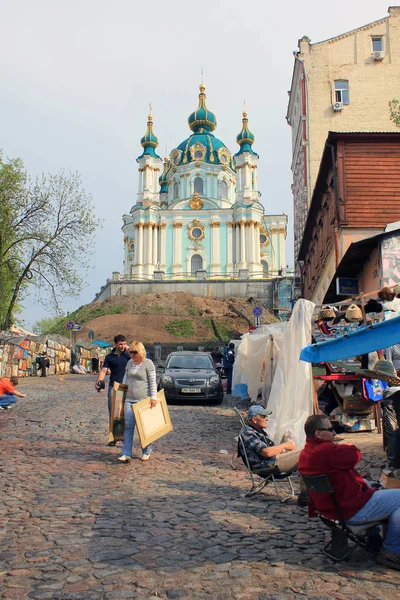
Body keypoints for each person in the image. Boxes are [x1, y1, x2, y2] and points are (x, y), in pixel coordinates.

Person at [299, 414, 400, 571]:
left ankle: (378, 537)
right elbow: (355, 454)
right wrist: (343, 447)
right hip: (349, 510)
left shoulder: (306, 452)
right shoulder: (327, 451)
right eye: (330, 429)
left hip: (331, 509)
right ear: (318, 434)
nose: (334, 433)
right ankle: (391, 550)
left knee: (370, 485)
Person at [241, 405, 308, 506]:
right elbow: (266, 452)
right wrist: (284, 445)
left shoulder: (259, 431)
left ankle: (307, 493)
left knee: (307, 455)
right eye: (263, 416)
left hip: (271, 461)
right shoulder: (248, 433)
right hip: (266, 465)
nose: (267, 419)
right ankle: (306, 495)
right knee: (305, 454)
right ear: (254, 419)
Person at [117, 341, 157, 463]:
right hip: (129, 398)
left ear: (141, 352)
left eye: (135, 352)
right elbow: (126, 378)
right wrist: (121, 392)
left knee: (143, 427)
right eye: (131, 352)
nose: (133, 355)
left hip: (143, 399)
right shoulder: (129, 363)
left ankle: (146, 450)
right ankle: (126, 452)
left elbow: (152, 381)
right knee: (129, 426)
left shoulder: (148, 364)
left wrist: (153, 397)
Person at [95, 334, 131, 446]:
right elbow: (103, 371)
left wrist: (130, 350)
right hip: (114, 386)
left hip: (127, 386)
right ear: (115, 344)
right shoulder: (109, 357)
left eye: (124, 344)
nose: (122, 346)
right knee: (113, 413)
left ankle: (125, 437)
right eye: (120, 344)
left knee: (126, 413)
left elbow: (139, 359)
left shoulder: (128, 355)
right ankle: (113, 437)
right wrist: (99, 382)